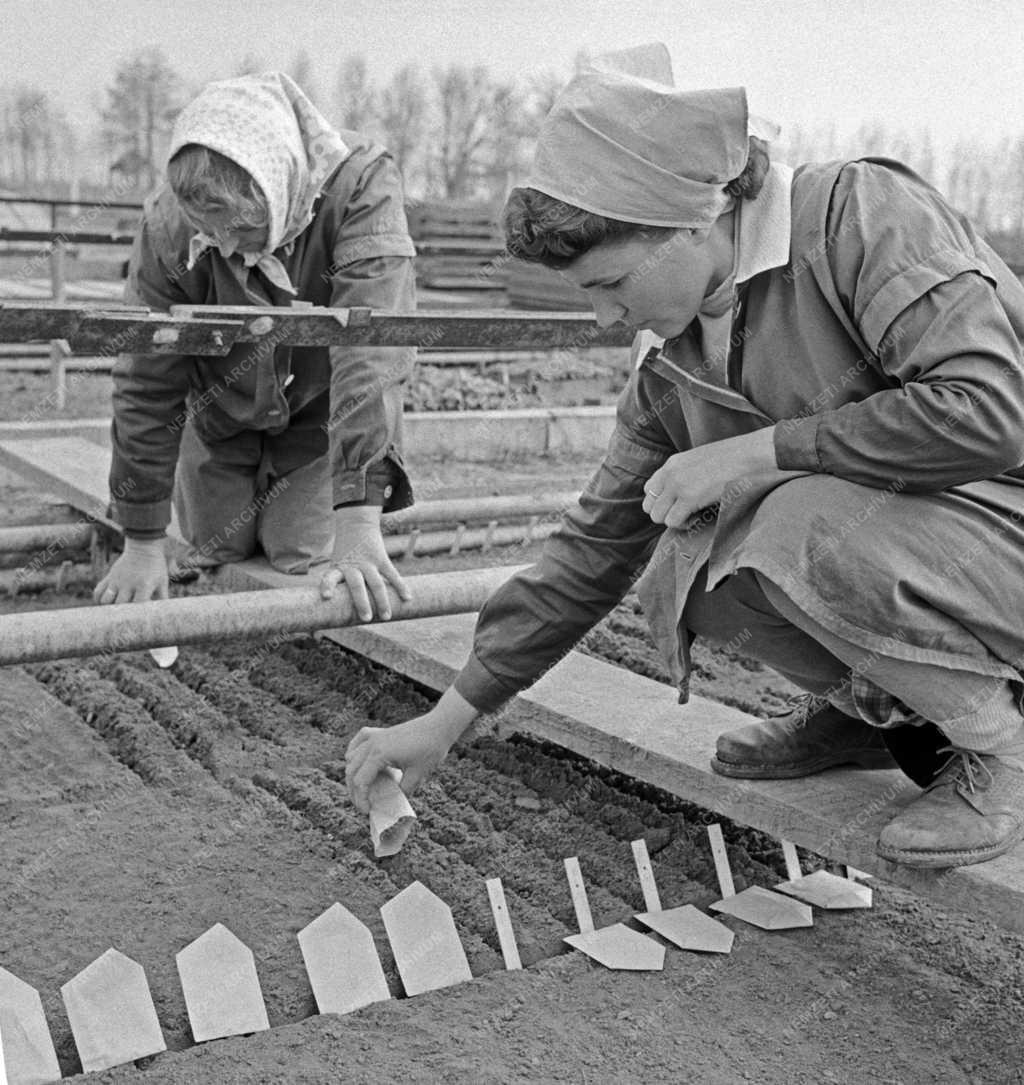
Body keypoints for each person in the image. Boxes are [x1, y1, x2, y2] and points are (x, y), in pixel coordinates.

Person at [346, 43, 1024, 870]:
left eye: (612, 284)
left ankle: (1002, 749)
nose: (602, 319)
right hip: (929, 555)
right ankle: (878, 708)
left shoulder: (857, 217)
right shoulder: (672, 365)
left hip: (1002, 533)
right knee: (685, 564)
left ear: (693, 219)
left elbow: (991, 411)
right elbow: (592, 550)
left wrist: (766, 450)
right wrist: (447, 719)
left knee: (785, 521)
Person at [94, 71, 417, 621]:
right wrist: (143, 542)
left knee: (298, 552)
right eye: (207, 230)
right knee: (217, 545)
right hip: (222, 409)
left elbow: (372, 353)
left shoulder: (358, 187)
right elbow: (147, 378)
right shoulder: (168, 226)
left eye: (240, 230)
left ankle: (307, 492)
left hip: (318, 416)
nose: (222, 247)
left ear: (279, 185)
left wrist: (359, 520)